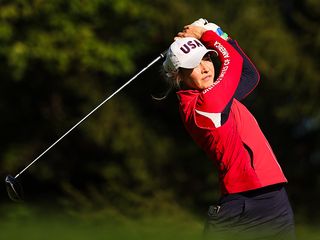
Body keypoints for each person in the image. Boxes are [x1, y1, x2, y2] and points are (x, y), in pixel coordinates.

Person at [162, 19, 296, 239]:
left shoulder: (218, 94)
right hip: (242, 209)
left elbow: (249, 75)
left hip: (273, 198)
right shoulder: (204, 105)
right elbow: (232, 60)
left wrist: (219, 33)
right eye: (193, 65)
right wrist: (206, 34)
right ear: (180, 77)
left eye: (206, 58)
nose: (205, 67)